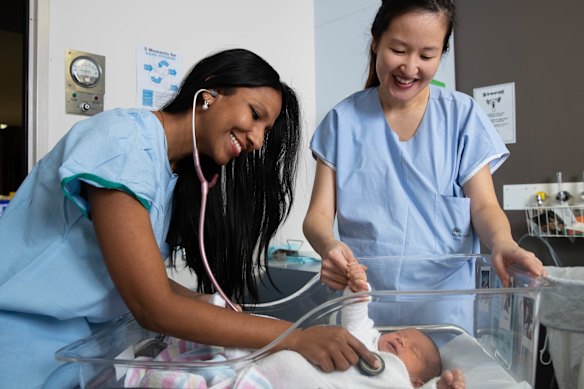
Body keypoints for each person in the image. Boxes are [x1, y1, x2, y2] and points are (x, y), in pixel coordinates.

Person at [0, 48, 377, 389]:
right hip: (20, 348)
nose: (258, 141)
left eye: (265, 131)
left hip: (77, 357)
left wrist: (211, 305)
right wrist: (292, 337)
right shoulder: (123, 142)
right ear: (211, 92)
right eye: (256, 115)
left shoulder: (172, 172)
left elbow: (138, 280)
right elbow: (153, 305)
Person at [302, 0, 546, 293]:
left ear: (441, 54)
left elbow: (484, 206)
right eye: (399, 50)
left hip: (445, 312)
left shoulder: (462, 117)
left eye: (427, 55)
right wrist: (329, 245)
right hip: (365, 305)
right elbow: (317, 217)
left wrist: (503, 243)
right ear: (376, 42)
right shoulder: (342, 122)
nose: (410, 67)